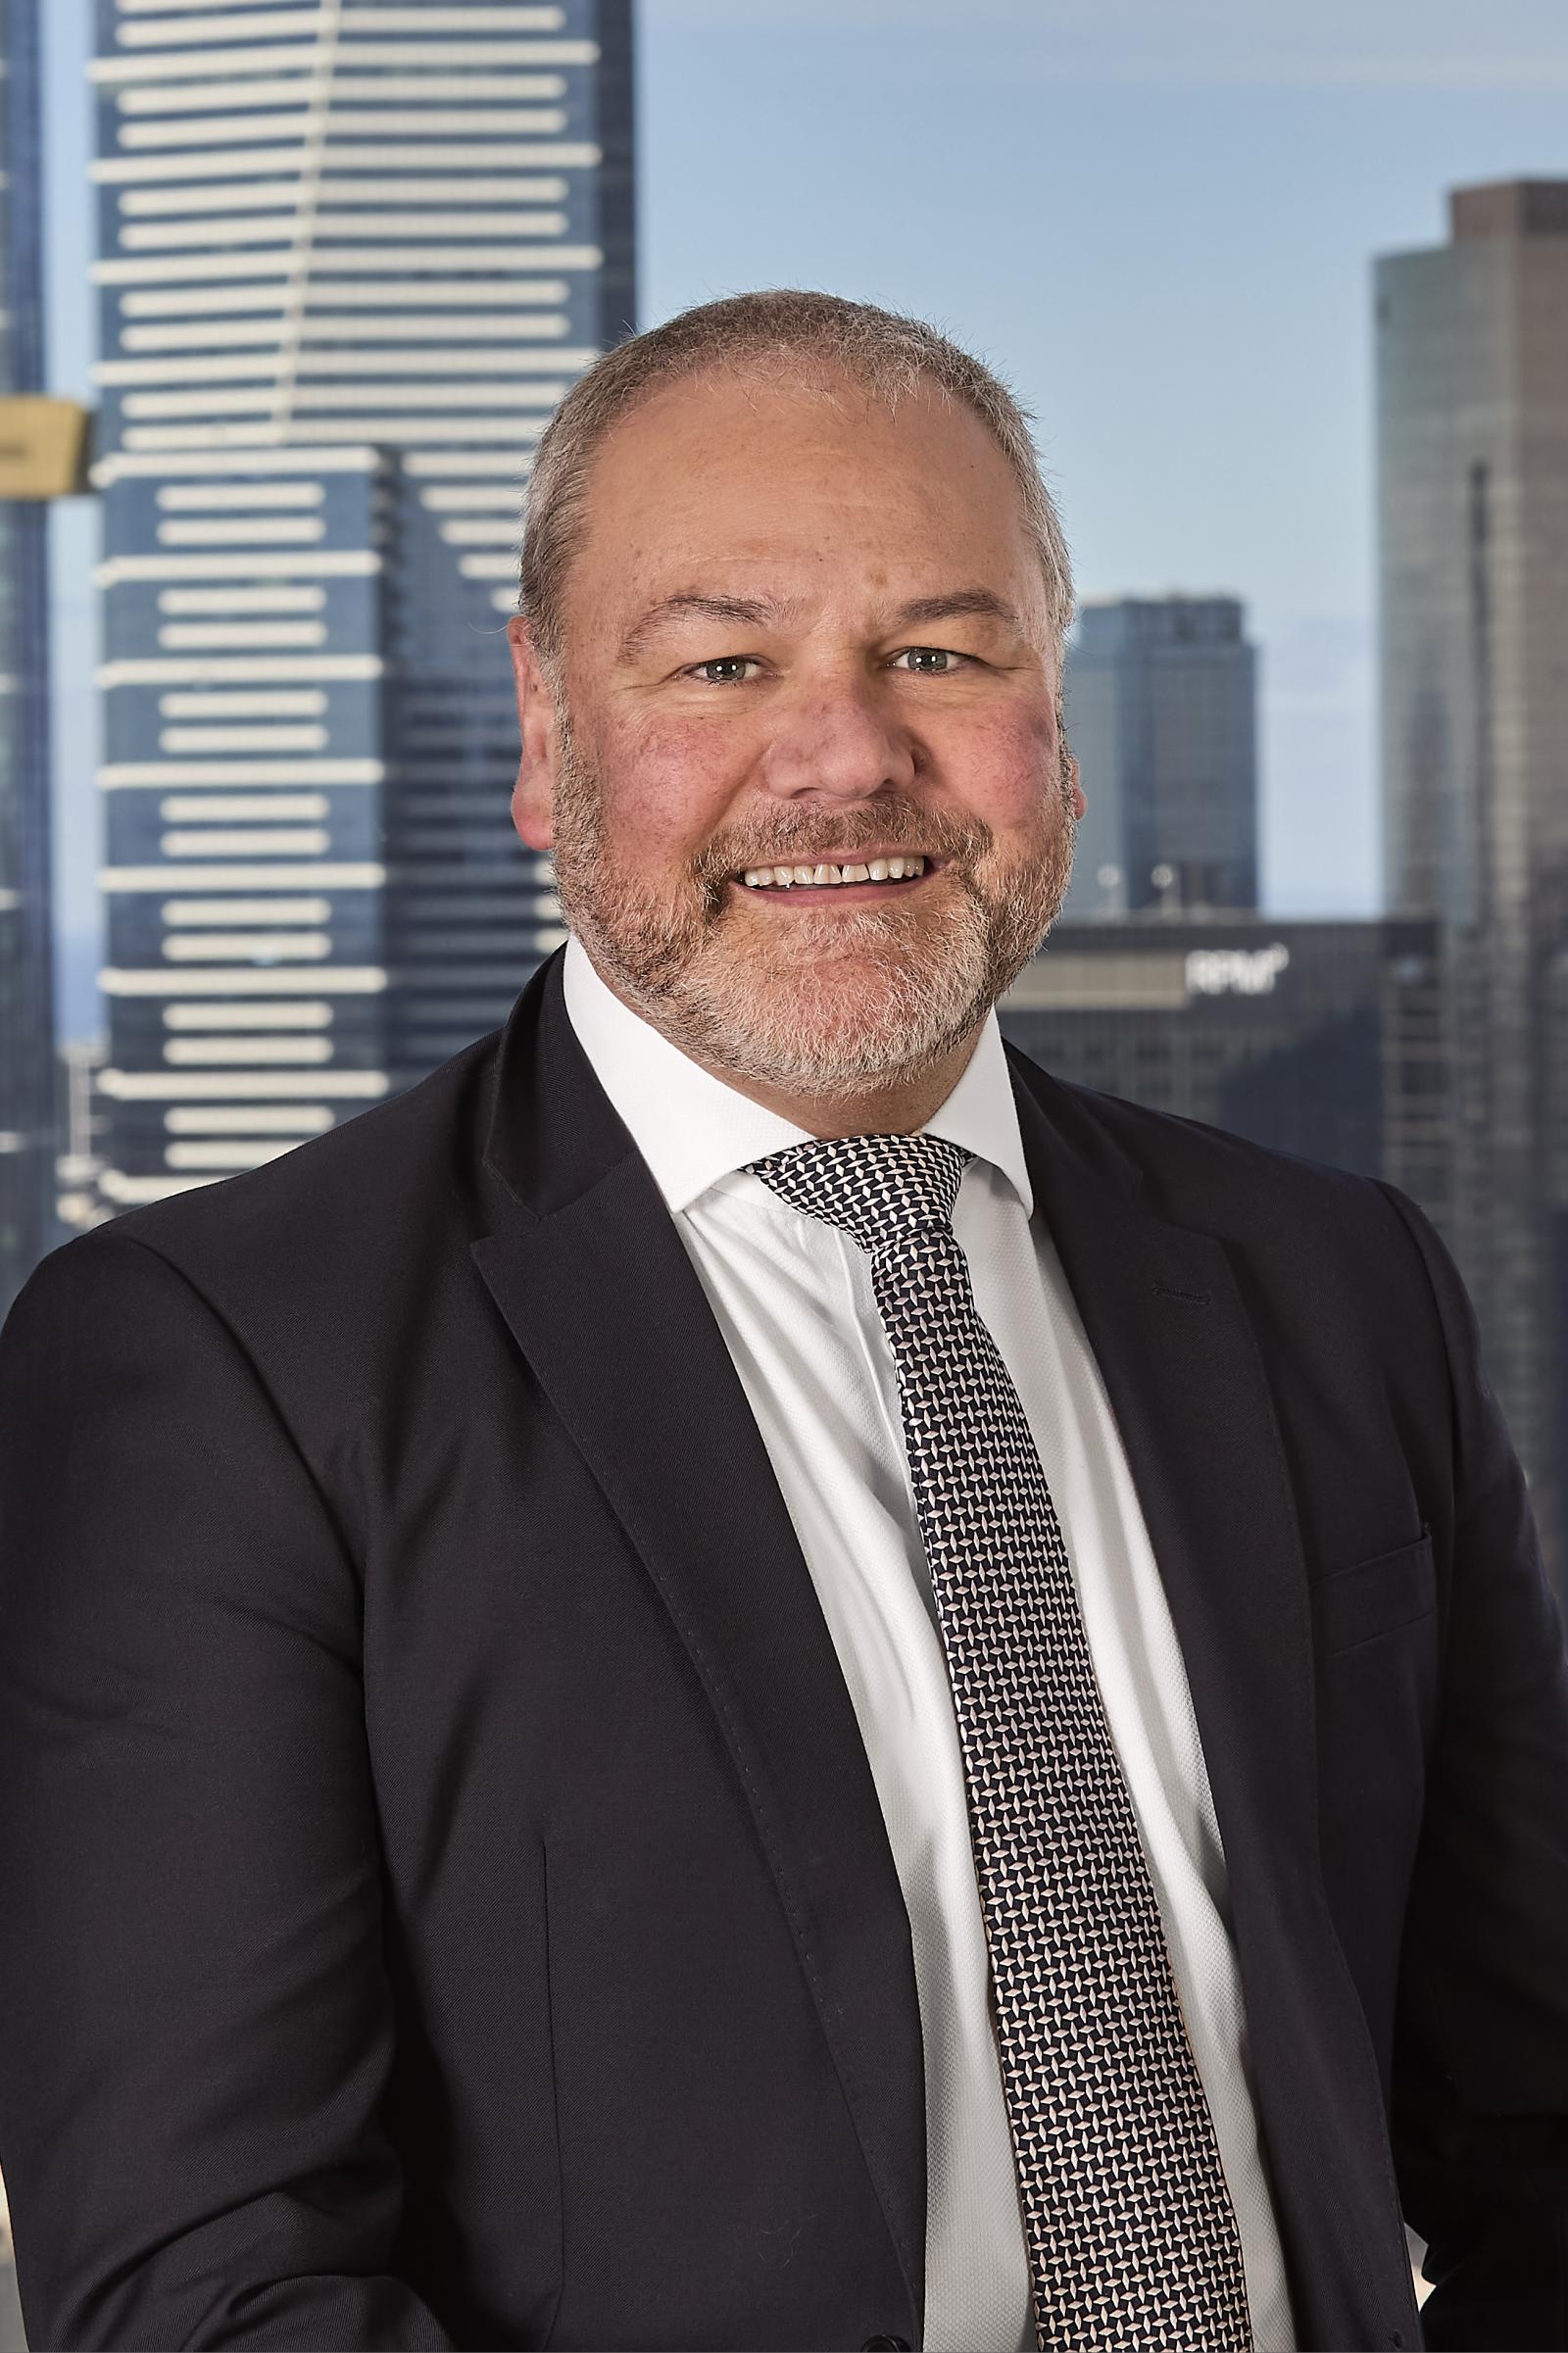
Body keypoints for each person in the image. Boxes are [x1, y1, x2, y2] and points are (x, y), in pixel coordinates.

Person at [0, 290, 1565, 2353]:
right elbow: (207, 2289)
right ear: (547, 729)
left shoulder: (1337, 1284)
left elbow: (1538, 2123)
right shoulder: (222, 1364)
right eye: (723, 662)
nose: (844, 755)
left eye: (942, 652)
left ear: (1059, 721)